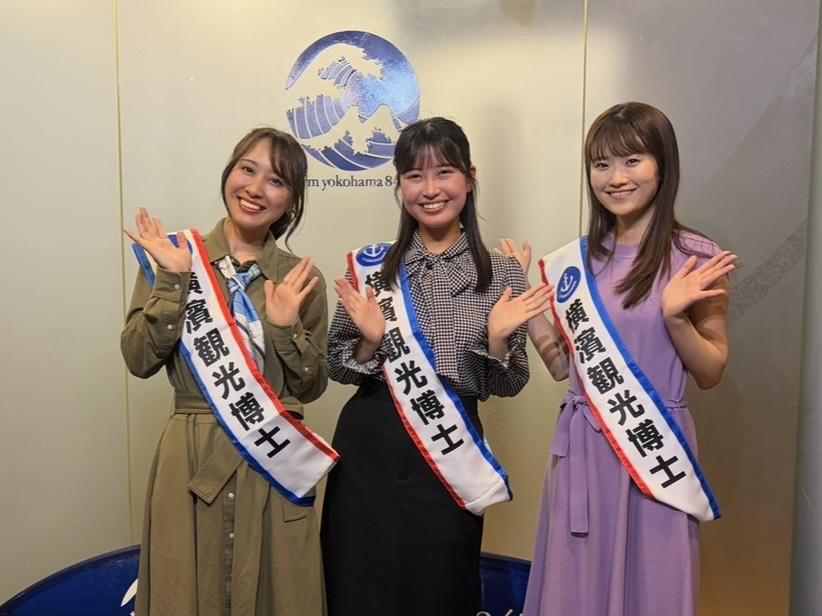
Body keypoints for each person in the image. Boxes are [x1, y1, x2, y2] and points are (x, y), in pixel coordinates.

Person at [504, 102, 737, 616]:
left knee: (654, 589)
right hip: (582, 453)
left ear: (662, 165)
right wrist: (525, 300)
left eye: (632, 161)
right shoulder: (573, 262)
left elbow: (711, 371)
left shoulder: (696, 256)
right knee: (575, 591)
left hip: (655, 449)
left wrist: (677, 319)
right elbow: (563, 367)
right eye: (602, 164)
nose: (616, 178)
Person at [320, 116, 552, 616]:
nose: (430, 190)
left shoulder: (503, 272)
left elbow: (510, 382)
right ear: (399, 184)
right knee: (357, 584)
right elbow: (337, 366)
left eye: (444, 172)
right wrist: (370, 343)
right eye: (414, 176)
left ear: (469, 178)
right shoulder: (371, 267)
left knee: (441, 587)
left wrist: (497, 340)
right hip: (369, 446)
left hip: (450, 449)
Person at [121, 127, 335, 616]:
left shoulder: (301, 278)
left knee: (280, 590)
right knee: (183, 588)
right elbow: (138, 359)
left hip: (273, 455)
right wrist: (172, 283)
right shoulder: (175, 257)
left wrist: (284, 328)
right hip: (190, 453)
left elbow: (312, 385)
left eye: (276, 181)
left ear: (292, 200)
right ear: (229, 173)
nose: (256, 189)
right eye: (247, 170)